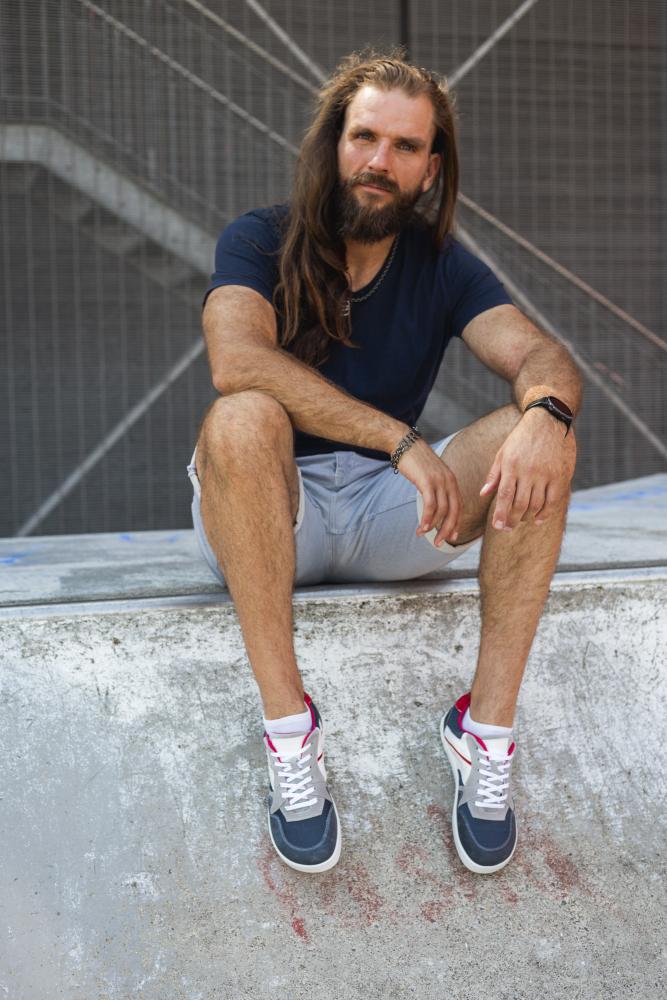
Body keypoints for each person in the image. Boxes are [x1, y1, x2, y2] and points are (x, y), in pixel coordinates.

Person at [187, 52, 581, 876]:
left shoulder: (442, 264)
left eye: (405, 147)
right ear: (334, 142)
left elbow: (536, 352)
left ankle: (486, 733)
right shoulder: (259, 238)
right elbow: (236, 359)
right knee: (241, 415)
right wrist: (400, 441)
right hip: (268, 508)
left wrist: (546, 413)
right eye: (365, 137)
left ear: (429, 167)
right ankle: (290, 733)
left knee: (541, 428)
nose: (379, 161)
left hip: (381, 513)